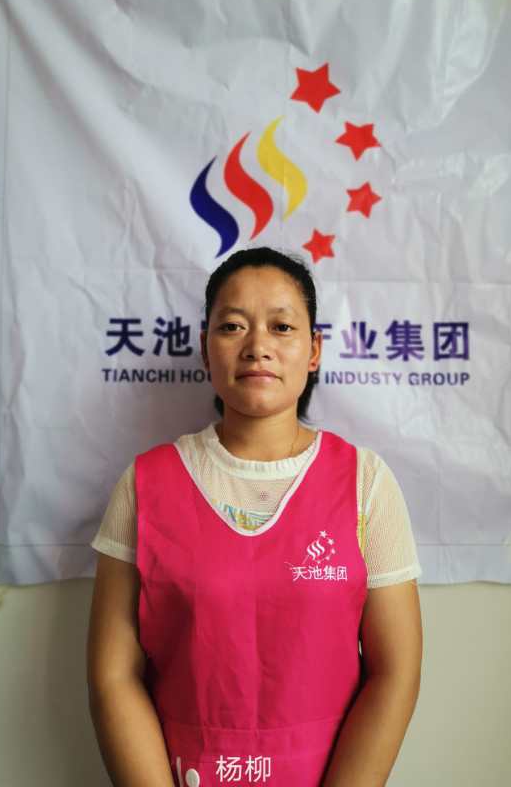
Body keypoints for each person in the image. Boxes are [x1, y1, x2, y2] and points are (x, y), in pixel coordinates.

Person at [87, 246, 423, 787]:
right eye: (233, 326)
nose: (258, 346)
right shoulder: (146, 484)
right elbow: (113, 676)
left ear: (314, 350)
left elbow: (395, 672)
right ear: (205, 348)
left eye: (282, 327)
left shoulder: (366, 484)